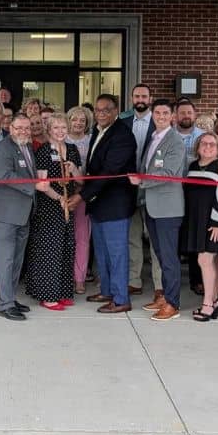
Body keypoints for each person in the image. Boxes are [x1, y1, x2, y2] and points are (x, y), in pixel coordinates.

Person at [129, 101, 185, 320]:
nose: (161, 116)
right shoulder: (154, 138)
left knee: (169, 258)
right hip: (151, 207)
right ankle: (165, 296)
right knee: (161, 256)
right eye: (158, 113)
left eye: (165, 113)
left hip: (168, 209)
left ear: (172, 116)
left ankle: (173, 303)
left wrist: (140, 181)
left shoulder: (175, 141)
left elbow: (169, 172)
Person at [83, 95, 139, 313]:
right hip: (99, 203)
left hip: (115, 204)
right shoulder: (98, 130)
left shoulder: (123, 135)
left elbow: (108, 172)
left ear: (116, 111)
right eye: (98, 110)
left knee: (117, 254)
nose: (101, 113)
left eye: (106, 110)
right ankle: (107, 290)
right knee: (102, 253)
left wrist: (82, 196)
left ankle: (121, 298)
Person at [27, 112, 82, 312]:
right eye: (56, 128)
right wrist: (59, 198)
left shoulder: (73, 150)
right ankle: (48, 295)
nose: (60, 131)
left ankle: (64, 291)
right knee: (49, 250)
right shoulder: (42, 151)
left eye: (63, 128)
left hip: (69, 205)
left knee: (67, 247)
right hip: (50, 206)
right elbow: (41, 184)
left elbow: (81, 181)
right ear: (49, 130)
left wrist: (74, 169)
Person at [0, 114, 37, 321]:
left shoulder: (26, 147)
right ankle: (5, 304)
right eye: (18, 128)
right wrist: (35, 185)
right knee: (6, 260)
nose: (23, 132)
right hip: (4, 214)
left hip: (22, 214)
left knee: (16, 260)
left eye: (26, 128)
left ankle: (10, 297)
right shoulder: (2, 149)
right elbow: (6, 176)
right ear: (11, 127)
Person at [184, 133, 218, 321]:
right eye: (204, 144)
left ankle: (207, 304)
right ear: (197, 147)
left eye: (212, 144)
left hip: (214, 223)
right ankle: (214, 302)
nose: (207, 147)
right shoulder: (192, 167)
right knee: (206, 261)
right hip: (197, 221)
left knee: (206, 261)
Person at [121, 84, 157, 296]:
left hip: (153, 189)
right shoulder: (123, 122)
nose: (140, 99)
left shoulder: (159, 123)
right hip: (128, 189)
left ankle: (159, 284)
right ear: (131, 98)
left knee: (155, 239)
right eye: (137, 96)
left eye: (144, 96)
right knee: (132, 236)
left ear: (150, 98)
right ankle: (134, 279)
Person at [66, 105, 94, 292]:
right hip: (63, 193)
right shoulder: (61, 139)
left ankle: (80, 278)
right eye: (74, 119)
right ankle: (64, 275)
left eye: (82, 120)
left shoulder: (92, 141)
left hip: (84, 194)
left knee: (82, 238)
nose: (78, 123)